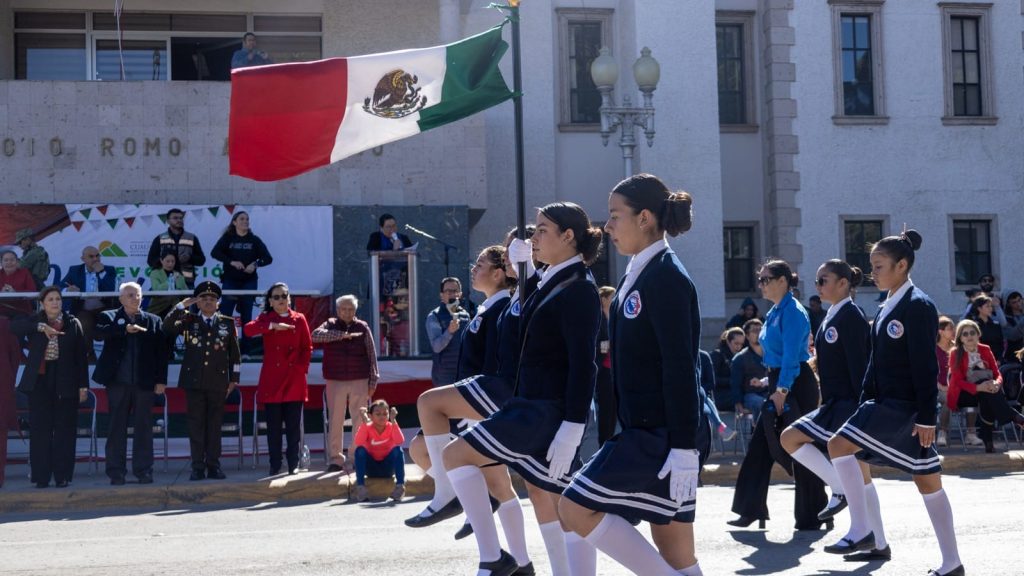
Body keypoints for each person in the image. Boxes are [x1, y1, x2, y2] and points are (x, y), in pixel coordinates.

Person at [442, 201, 602, 576]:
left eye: (542, 229)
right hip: (529, 403)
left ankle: (493, 560)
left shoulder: (578, 285)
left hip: (548, 409)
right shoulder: (551, 279)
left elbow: (584, 363)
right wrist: (526, 273)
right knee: (551, 499)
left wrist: (574, 425)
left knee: (458, 457)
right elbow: (520, 331)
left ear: (568, 236)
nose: (534, 237)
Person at [557, 174, 704, 575]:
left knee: (573, 506)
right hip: (644, 430)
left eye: (614, 215)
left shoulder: (667, 276)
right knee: (676, 552)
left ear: (643, 218)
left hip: (660, 435)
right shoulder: (636, 274)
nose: (607, 226)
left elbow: (680, 365)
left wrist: (685, 446)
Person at [826, 230, 964, 576]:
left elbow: (926, 365)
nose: (873, 273)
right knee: (925, 480)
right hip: (883, 402)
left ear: (902, 265)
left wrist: (927, 417)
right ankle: (952, 564)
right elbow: (875, 362)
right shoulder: (888, 303)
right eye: (872, 266)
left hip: (904, 407)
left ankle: (863, 530)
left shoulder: (918, 305)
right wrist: (864, 400)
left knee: (839, 446)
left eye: (880, 266)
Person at [729, 259, 828, 531]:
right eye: (759, 279)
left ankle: (814, 513)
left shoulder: (793, 312)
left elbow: (791, 359)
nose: (760, 284)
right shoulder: (774, 311)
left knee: (802, 448)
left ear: (782, 281)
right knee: (761, 447)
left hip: (794, 384)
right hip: (778, 381)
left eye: (765, 279)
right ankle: (750, 509)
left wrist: (781, 391)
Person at [781, 259, 870, 525]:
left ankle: (869, 534)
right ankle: (865, 529)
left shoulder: (851, 316)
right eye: (818, 280)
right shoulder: (832, 314)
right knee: (790, 439)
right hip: (833, 403)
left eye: (824, 280)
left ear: (843, 283)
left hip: (847, 405)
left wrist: (862, 409)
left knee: (863, 477)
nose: (818, 285)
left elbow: (861, 367)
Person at [10, 286, 88, 488]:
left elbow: (81, 357)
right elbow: (13, 327)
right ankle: (41, 477)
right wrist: (40, 328)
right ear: (43, 304)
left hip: (66, 381)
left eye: (58, 299)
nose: (55, 302)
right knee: (40, 430)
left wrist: (83, 386)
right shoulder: (35, 320)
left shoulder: (72, 323)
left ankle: (62, 476)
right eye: (51, 299)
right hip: (40, 381)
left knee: (64, 430)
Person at [92, 282, 169, 485]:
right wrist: (124, 329)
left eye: (137, 295)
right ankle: (116, 471)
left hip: (144, 383)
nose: (134, 298)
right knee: (116, 428)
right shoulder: (109, 317)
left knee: (144, 428)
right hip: (118, 382)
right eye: (129, 295)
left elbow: (162, 354)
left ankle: (144, 470)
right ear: (120, 299)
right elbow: (99, 333)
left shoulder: (153, 321)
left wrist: (161, 380)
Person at [164, 281, 241, 481]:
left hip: (217, 381)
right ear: (197, 303)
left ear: (218, 303)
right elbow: (167, 327)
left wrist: (234, 379)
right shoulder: (189, 321)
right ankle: (197, 467)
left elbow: (235, 354)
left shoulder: (227, 322)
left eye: (212, 299)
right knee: (196, 425)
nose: (208, 302)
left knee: (214, 426)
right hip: (194, 381)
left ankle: (214, 466)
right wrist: (181, 305)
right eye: (203, 299)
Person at [244, 282, 311, 476]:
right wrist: (271, 326)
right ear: (270, 301)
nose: (281, 300)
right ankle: (275, 463)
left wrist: (301, 369)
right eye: (277, 297)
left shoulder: (299, 319)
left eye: (284, 296)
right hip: (273, 379)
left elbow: (307, 348)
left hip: (294, 379)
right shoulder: (266, 318)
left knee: (292, 427)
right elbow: (248, 330)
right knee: (273, 427)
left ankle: (293, 463)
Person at [311, 294, 379, 473]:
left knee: (359, 420)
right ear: (338, 310)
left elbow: (372, 355)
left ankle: (357, 456)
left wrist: (373, 380)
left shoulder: (363, 327)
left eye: (351, 309)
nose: (347, 312)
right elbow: (315, 336)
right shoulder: (329, 324)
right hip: (335, 379)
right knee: (336, 419)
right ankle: (336, 459)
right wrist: (342, 335)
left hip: (359, 378)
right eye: (344, 309)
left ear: (355, 310)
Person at [946, 319, 1024, 453]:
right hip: (964, 393)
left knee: (988, 394)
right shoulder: (955, 353)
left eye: (972, 333)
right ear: (960, 338)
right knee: (988, 393)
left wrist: (997, 383)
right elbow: (957, 381)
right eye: (965, 334)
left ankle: (988, 442)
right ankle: (1015, 418)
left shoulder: (985, 349)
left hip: (986, 390)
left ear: (978, 335)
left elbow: (997, 373)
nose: (969, 336)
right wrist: (978, 387)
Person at [211, 211, 273, 356]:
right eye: (242, 219)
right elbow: (215, 253)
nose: (245, 221)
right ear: (234, 222)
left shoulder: (254, 239)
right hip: (230, 281)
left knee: (247, 315)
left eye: (247, 219)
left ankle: (245, 351)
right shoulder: (228, 238)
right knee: (225, 315)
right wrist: (231, 262)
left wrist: (255, 264)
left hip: (248, 282)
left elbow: (268, 258)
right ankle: (222, 350)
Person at [61, 246, 117, 351]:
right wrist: (68, 290)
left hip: (104, 308)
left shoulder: (109, 270)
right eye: (91, 256)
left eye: (97, 256)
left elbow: (110, 289)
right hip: (83, 309)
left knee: (111, 325)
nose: (95, 259)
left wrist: (101, 272)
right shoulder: (74, 270)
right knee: (82, 323)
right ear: (83, 259)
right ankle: (89, 355)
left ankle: (109, 355)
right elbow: (60, 286)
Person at [351, 400, 406, 502]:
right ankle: (361, 488)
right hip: (370, 469)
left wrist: (394, 421)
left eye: (385, 414)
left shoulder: (391, 425)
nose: (382, 416)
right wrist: (364, 423)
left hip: (388, 469)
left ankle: (400, 487)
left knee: (398, 450)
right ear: (370, 416)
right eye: (378, 414)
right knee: (360, 450)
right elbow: (358, 442)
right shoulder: (367, 427)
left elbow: (400, 441)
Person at [425, 277, 471, 387]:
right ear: (441, 295)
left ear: (460, 294)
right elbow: (436, 346)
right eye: (448, 291)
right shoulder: (434, 316)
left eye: (455, 291)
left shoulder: (465, 315)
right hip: (444, 377)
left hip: (464, 373)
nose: (451, 294)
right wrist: (449, 332)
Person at [147, 208, 207, 289]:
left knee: (188, 302)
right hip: (164, 282)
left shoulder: (191, 238)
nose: (179, 220)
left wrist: (189, 258)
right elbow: (151, 260)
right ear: (168, 221)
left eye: (181, 218)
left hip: (186, 282)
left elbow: (201, 260)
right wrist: (164, 261)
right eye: (175, 218)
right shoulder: (160, 238)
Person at [730, 319, 767, 414]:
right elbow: (735, 384)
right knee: (763, 404)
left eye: (761, 330)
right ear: (747, 335)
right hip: (751, 395)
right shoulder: (740, 358)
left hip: (769, 393)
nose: (759, 333)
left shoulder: (772, 355)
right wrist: (738, 403)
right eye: (755, 331)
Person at [595, 285, 616, 446]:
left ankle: (610, 442)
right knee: (606, 410)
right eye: (611, 297)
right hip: (603, 369)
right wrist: (606, 344)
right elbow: (597, 341)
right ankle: (604, 443)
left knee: (615, 409)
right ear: (603, 299)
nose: (614, 300)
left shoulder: (615, 316)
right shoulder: (598, 317)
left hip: (615, 370)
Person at [700, 349, 736, 441]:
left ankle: (720, 426)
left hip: (702, 396)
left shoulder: (703, 356)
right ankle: (720, 426)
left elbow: (711, 383)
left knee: (701, 394)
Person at [710, 327, 744, 411]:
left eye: (741, 344)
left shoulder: (740, 356)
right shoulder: (717, 355)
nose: (739, 347)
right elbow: (713, 380)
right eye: (736, 343)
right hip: (721, 396)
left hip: (734, 393)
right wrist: (732, 381)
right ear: (728, 341)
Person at [935, 316, 957, 447]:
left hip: (954, 386)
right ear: (940, 331)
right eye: (949, 329)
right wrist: (940, 386)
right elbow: (928, 371)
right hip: (936, 387)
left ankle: (971, 433)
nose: (953, 331)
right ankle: (942, 432)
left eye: (953, 328)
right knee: (947, 399)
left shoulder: (956, 348)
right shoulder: (932, 349)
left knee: (949, 398)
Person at [965, 294, 1005, 365]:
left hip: (996, 361)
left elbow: (1001, 344)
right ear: (979, 308)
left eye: (991, 306)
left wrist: (999, 359)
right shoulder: (973, 326)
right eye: (987, 306)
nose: (990, 309)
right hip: (978, 362)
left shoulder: (996, 325)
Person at [147, 250, 188, 316]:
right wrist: (170, 281)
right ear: (161, 260)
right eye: (168, 261)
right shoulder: (155, 273)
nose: (170, 264)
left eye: (173, 261)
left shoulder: (179, 275)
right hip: (158, 307)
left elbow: (186, 291)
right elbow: (156, 289)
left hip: (175, 308)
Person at [0, 249, 37, 317]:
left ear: (17, 262)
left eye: (12, 260)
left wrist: (15, 293)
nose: (9, 262)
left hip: (21, 311)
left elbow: (33, 292)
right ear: (1, 263)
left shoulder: (24, 272)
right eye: (6, 260)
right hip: (2, 310)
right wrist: (2, 293)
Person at [1002, 290, 1024, 358]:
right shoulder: (1006, 319)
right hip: (1015, 355)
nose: (1018, 304)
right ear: (1008, 304)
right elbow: (1012, 335)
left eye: (1019, 300)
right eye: (1014, 302)